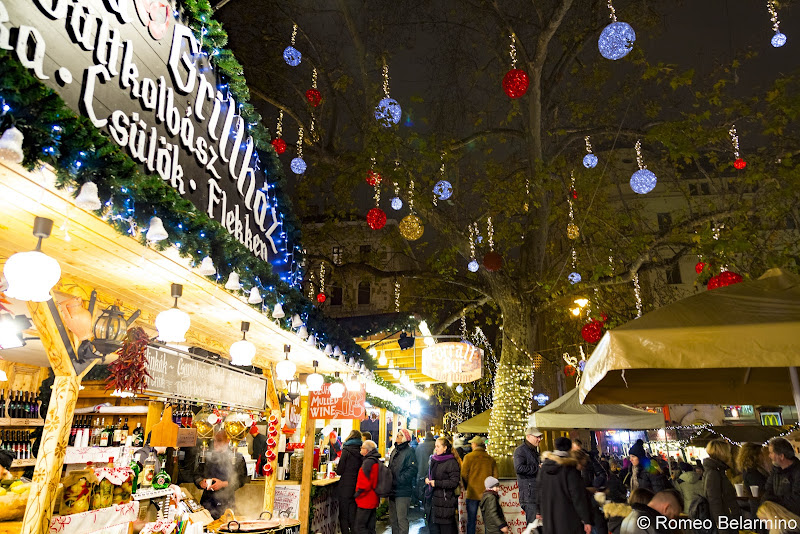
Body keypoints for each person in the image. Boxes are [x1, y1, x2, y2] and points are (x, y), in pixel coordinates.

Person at [537, 436, 592, 534]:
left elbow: (539, 491)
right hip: (568, 519)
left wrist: (538, 510)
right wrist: (586, 519)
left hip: (549, 518)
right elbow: (577, 496)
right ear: (570, 449)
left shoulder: (543, 468)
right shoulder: (569, 468)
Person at [193, 430, 247, 519]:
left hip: (227, 502)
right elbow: (196, 475)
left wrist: (223, 484)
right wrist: (201, 482)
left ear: (227, 441)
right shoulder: (206, 456)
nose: (215, 444)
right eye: (214, 440)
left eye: (219, 440)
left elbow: (242, 479)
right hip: (207, 501)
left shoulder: (237, 457)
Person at [424, 437, 461, 534]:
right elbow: (430, 474)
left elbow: (454, 482)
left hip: (445, 504)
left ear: (445, 448)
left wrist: (437, 483)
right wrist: (427, 479)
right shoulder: (433, 460)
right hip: (433, 504)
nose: (436, 448)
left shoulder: (451, 462)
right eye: (435, 446)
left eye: (438, 446)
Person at [462, 436, 498, 534]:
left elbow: (464, 474)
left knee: (471, 521)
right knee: (488, 522)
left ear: (475, 444)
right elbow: (495, 477)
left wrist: (467, 486)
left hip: (472, 493)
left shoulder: (468, 457)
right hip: (487, 494)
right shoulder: (490, 459)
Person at [703, 439, 740, 534]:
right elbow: (714, 501)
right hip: (726, 520)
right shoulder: (714, 473)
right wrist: (722, 525)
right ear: (722, 452)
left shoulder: (717, 470)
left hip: (728, 518)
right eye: (727, 451)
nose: (729, 454)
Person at [389, 429, 417, 534]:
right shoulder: (394, 450)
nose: (397, 436)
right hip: (392, 489)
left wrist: (399, 479)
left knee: (401, 520)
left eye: (400, 435)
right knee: (393, 520)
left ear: (405, 438)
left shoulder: (409, 452)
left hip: (403, 490)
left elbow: (413, 469)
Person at [763, 436, 800, 516]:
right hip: (777, 517)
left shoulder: (797, 472)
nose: (769, 456)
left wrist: (775, 501)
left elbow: (796, 501)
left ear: (781, 456)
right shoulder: (775, 470)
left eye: (771, 453)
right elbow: (767, 490)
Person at [335, 430, 363, 534]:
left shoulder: (346, 450)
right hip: (357, 486)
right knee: (353, 515)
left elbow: (340, 470)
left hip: (345, 486)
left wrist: (336, 470)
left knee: (343, 515)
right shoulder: (361, 450)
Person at [514, 426, 543, 524]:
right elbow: (519, 468)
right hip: (529, 495)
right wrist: (537, 468)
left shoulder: (534, 451)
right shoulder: (521, 450)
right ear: (528, 436)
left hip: (535, 494)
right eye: (537, 437)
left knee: (537, 525)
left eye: (540, 437)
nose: (539, 439)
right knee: (533, 526)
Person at [355, 440, 382, 534]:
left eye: (362, 448)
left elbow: (364, 483)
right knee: (371, 527)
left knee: (360, 527)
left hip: (365, 499)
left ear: (366, 450)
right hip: (373, 497)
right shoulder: (375, 460)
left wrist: (357, 494)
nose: (360, 450)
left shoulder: (367, 462)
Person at [417, 431, 436, 506]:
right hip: (431, 472)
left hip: (421, 471)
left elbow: (417, 459)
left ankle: (424, 506)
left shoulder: (419, 446)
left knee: (422, 490)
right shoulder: (435, 445)